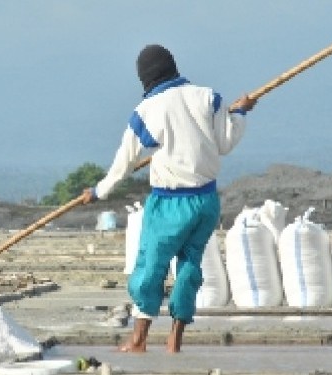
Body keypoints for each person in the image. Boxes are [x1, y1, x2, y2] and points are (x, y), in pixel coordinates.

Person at [81, 44, 257, 353]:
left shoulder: (147, 110)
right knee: (189, 269)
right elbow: (226, 142)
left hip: (169, 204)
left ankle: (138, 340)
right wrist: (240, 112)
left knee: (150, 268)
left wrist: (97, 192)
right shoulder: (209, 98)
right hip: (205, 202)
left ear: (145, 78)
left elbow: (124, 163)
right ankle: (175, 340)